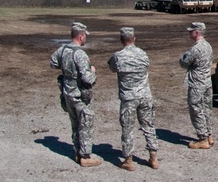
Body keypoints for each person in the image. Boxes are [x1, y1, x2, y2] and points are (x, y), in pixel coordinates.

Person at [50, 21, 101, 167]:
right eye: (85, 36)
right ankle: (85, 156)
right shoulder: (80, 54)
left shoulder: (63, 49)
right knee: (85, 123)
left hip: (67, 92)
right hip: (79, 94)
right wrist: (93, 71)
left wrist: (67, 68)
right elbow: (88, 79)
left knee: (75, 124)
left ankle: (78, 152)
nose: (86, 39)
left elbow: (53, 62)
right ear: (81, 36)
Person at [107, 27, 159, 171]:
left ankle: (128, 160)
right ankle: (153, 157)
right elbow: (147, 65)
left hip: (129, 98)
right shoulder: (143, 54)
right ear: (134, 38)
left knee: (128, 128)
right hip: (145, 95)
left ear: (121, 40)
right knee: (148, 126)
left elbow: (112, 67)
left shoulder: (118, 56)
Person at [179, 21, 214, 149]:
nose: (189, 32)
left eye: (191, 31)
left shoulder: (195, 48)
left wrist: (182, 58)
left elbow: (184, 63)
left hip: (197, 84)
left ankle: (202, 138)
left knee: (196, 109)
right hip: (207, 82)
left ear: (197, 32)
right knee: (206, 109)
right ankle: (209, 134)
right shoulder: (208, 46)